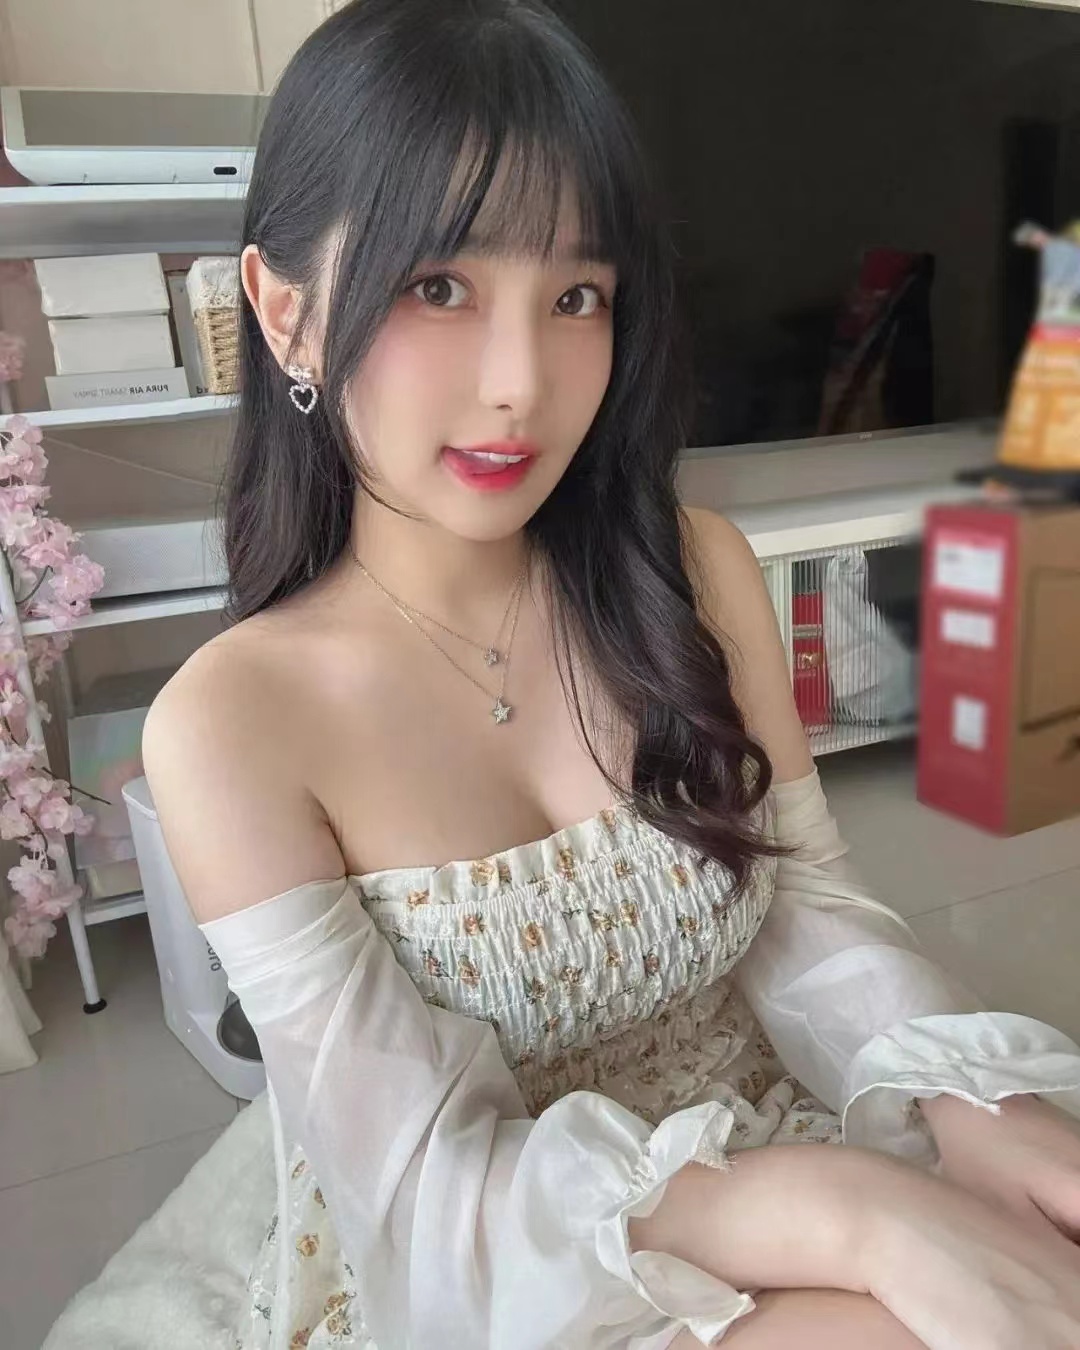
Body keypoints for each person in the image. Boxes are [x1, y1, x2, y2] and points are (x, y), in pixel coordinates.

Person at [143, 2, 1080, 1347]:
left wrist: (970, 1099)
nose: (521, 382)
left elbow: (805, 907)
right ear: (286, 315)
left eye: (576, 296)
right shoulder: (233, 725)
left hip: (762, 1142)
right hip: (516, 1264)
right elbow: (430, 1192)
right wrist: (846, 1212)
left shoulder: (693, 571)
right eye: (438, 286)